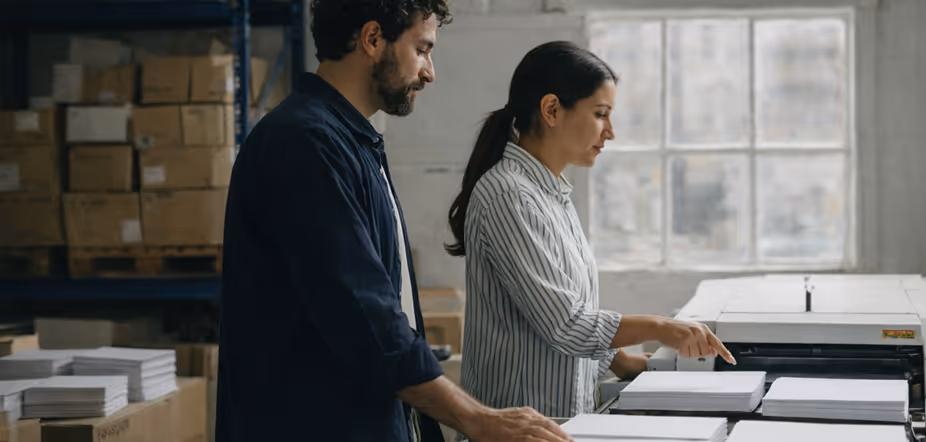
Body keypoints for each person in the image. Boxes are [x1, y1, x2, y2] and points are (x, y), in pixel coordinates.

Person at [218, 1, 573, 441]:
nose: (430, 72)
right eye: (422, 49)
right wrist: (477, 419)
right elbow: (364, 315)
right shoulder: (305, 144)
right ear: (372, 39)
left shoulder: (355, 141)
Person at [446, 41, 737, 419]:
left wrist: (619, 361)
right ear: (552, 109)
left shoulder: (552, 193)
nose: (610, 132)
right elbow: (565, 324)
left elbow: (562, 308)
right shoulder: (507, 194)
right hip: (518, 429)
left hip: (563, 423)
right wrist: (665, 328)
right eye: (601, 114)